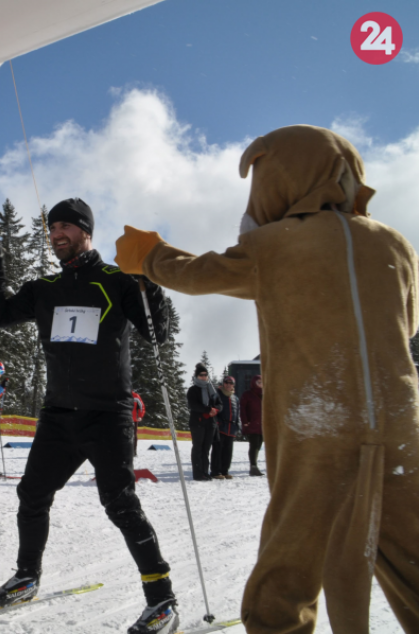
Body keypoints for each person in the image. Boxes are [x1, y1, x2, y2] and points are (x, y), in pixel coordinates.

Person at [114, 125, 419, 633]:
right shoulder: (395, 244)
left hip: (318, 426)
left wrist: (150, 255)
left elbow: (197, 273)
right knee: (411, 554)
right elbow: (407, 322)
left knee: (290, 562)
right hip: (402, 424)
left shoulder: (275, 245)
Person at [0, 198, 178, 634]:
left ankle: (161, 600)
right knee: (32, 495)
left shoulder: (115, 280)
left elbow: (157, 331)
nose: (57, 234)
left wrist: (145, 275)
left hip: (108, 415)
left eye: (67, 227)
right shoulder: (44, 288)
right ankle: (27, 577)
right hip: (58, 416)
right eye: (52, 227)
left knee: (120, 504)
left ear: (86, 232)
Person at [186, 363, 221, 482]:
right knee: (198, 448)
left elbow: (219, 404)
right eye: (201, 375)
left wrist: (215, 410)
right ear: (197, 376)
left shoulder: (211, 389)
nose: (204, 377)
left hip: (210, 423)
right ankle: (197, 473)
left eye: (205, 375)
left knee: (206, 449)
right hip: (198, 422)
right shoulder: (193, 390)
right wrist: (207, 410)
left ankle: (205, 472)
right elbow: (193, 405)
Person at [210, 376, 239, 479]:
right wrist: (217, 422)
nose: (228, 385)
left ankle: (224, 470)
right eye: (226, 382)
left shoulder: (235, 398)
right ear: (223, 384)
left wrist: (238, 425)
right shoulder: (218, 395)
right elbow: (214, 409)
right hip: (220, 428)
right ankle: (215, 471)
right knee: (218, 450)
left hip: (231, 428)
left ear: (233, 385)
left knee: (228, 451)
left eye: (230, 383)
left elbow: (237, 413)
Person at [239, 375, 264, 477]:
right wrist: (245, 421)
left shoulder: (264, 394)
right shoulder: (247, 395)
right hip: (251, 424)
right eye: (258, 382)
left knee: (258, 445)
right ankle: (253, 467)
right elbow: (243, 409)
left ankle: (254, 466)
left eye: (262, 382)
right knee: (253, 445)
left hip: (262, 425)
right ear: (254, 383)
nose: (260, 384)